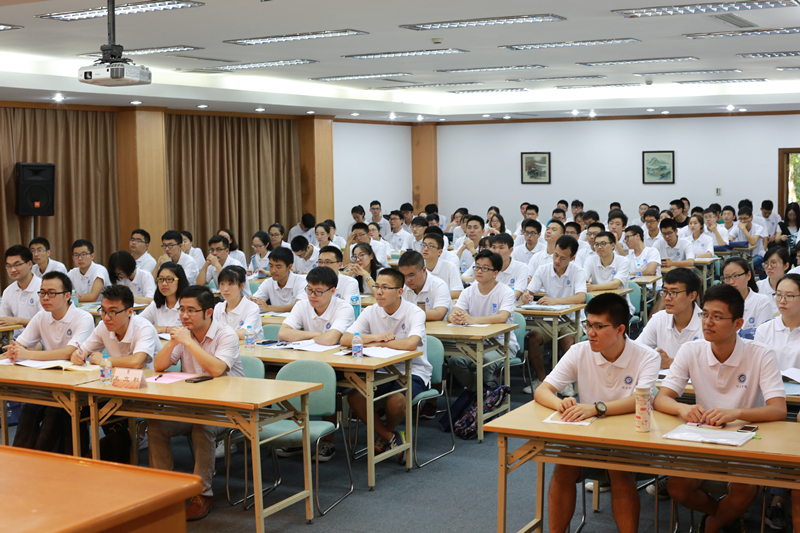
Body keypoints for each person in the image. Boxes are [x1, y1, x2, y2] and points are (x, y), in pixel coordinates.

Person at [654, 283, 787, 533]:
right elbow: (661, 399)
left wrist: (736, 413)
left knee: (744, 491)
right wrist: (682, 409)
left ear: (738, 324)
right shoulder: (691, 350)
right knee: (677, 487)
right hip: (704, 438)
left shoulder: (761, 354)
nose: (707, 322)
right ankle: (725, 517)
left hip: (747, 441)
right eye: (705, 314)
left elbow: (779, 409)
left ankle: (712, 525)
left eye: (717, 317)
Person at [535, 293, 659, 533]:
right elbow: (543, 390)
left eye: (599, 327)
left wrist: (595, 408)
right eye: (588, 324)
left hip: (630, 437)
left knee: (618, 466)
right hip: (589, 435)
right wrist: (561, 404)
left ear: (620, 329)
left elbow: (640, 400)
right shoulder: (579, 351)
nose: (591, 332)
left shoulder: (646, 356)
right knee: (563, 464)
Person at [149, 285, 244, 521]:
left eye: (191, 310)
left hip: (228, 407)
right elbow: (158, 366)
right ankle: (163, 489)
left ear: (208, 312)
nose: (184, 315)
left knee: (203, 427)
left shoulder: (226, 335)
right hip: (193, 404)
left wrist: (188, 342)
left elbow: (216, 369)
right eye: (181, 310)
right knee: (157, 425)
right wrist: (173, 342)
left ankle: (203, 494)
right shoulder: (184, 334)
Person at [341, 268, 431, 457]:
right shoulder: (371, 311)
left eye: (385, 287)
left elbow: (410, 344)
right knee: (355, 397)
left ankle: (387, 431)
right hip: (380, 370)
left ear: (400, 291)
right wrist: (376, 337)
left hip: (411, 371)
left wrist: (376, 342)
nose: (379, 292)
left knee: (395, 401)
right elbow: (346, 339)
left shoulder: (414, 312)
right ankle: (389, 436)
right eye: (376, 286)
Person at [3, 272, 94, 452]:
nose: (45, 298)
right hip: (50, 383)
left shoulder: (83, 318)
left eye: (51, 293)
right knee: (29, 409)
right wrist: (14, 351)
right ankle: (19, 459)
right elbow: (19, 345)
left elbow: (68, 353)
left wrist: (28, 354)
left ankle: (43, 462)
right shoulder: (41, 316)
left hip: (80, 386)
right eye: (42, 293)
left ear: (67, 296)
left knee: (54, 413)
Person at [277, 266, 355, 461]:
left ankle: (327, 441)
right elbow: (283, 333)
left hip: (336, 366)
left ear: (332, 291)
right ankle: (295, 437)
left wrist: (307, 335)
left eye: (318, 291)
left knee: (324, 382)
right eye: (309, 290)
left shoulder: (344, 307)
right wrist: (316, 334)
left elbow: (331, 340)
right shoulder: (302, 305)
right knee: (286, 381)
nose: (312, 295)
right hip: (307, 358)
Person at [756, 273, 800, 529]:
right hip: (770, 399)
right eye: (779, 295)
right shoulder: (766, 329)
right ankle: (778, 498)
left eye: (789, 296)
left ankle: (780, 498)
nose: (782, 301)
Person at [448, 250, 520, 392]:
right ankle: (477, 391)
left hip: (502, 343)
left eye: (485, 268)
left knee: (485, 360)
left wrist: (473, 319)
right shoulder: (468, 291)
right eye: (477, 267)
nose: (479, 271)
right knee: (455, 361)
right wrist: (454, 317)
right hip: (475, 342)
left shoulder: (506, 292)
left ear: (495, 273)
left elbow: (502, 317)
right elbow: (453, 312)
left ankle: (484, 396)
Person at [522, 236, 586, 394]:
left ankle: (565, 382)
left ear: (572, 258)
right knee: (532, 338)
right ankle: (542, 381)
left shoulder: (577, 271)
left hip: (571, 321)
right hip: (548, 321)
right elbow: (530, 291)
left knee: (568, 339)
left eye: (563, 258)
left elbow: (581, 297)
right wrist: (526, 295)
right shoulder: (543, 269)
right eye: (555, 255)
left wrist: (555, 301)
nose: (557, 260)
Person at [70, 284, 160, 369]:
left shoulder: (144, 328)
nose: (106, 318)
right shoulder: (103, 326)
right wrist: (77, 356)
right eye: (103, 310)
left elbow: (136, 362)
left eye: (113, 312)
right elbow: (83, 351)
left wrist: (104, 360)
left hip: (148, 379)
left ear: (129, 312)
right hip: (117, 377)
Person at [635, 268, 702, 370]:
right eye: (665, 291)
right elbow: (636, 351)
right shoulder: (659, 318)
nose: (667, 298)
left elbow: (715, 363)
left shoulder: (706, 323)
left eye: (674, 292)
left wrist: (671, 362)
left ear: (692, 296)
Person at [721, 256, 772, 339]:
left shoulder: (762, 302)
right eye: (727, 277)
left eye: (736, 276)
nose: (731, 282)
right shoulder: (720, 303)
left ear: (748, 275)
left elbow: (763, 336)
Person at [583, 232, 634, 314]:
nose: (599, 247)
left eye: (603, 244)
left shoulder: (623, 261)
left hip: (619, 306)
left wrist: (592, 287)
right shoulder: (590, 260)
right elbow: (583, 279)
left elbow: (615, 284)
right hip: (597, 305)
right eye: (596, 244)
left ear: (613, 245)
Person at [0, 245, 42, 336]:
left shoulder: (43, 288)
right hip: (14, 339)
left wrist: (18, 321)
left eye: (17, 265)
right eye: (9, 266)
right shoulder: (8, 291)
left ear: (29, 264)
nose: (13, 270)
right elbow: (3, 321)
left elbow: (47, 322)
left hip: (40, 338)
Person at [397, 251, 451, 321]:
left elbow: (439, 314)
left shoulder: (439, 285)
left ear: (424, 270)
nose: (407, 280)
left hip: (434, 327)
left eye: (411, 276)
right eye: (403, 276)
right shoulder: (400, 286)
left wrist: (405, 312)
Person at [212, 266, 264, 340]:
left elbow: (244, 334)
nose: (225, 289)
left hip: (248, 347)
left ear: (242, 286)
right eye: (222, 284)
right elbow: (211, 332)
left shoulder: (252, 307)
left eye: (230, 284)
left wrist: (219, 333)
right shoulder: (218, 307)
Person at [251, 247, 307, 313]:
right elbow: (254, 301)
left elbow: (299, 306)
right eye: (271, 266)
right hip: (274, 318)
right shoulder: (268, 282)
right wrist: (251, 301)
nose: (273, 270)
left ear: (289, 267)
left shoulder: (302, 281)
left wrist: (268, 308)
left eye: (278, 267)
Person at [139, 262, 188, 333]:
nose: (164, 283)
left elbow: (193, 328)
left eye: (169, 279)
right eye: (161, 279)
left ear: (180, 281)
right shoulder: (156, 304)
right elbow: (137, 321)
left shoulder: (189, 303)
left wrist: (162, 329)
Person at [421, 233, 463, 299]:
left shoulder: (450, 267)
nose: (425, 249)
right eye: (424, 245)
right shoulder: (417, 266)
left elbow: (458, 292)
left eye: (430, 246)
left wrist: (435, 297)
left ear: (439, 252)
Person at [728, 206, 767, 273]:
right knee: (730, 262)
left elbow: (752, 242)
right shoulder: (737, 227)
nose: (743, 221)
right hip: (742, 255)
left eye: (745, 218)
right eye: (740, 219)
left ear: (751, 217)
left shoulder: (758, 228)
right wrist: (731, 239)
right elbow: (730, 238)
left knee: (746, 265)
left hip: (757, 255)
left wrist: (744, 229)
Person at [757, 247, 790, 314]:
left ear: (786, 266)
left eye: (774, 263)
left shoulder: (794, 287)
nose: (769, 267)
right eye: (766, 263)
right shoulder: (758, 287)